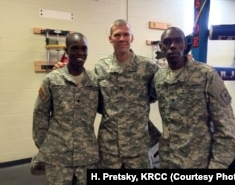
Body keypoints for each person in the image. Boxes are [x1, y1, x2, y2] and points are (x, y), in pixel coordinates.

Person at [53, 19, 159, 169]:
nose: (121, 39)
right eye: (117, 35)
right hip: (109, 147)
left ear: (132, 38)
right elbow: (86, 93)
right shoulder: (101, 67)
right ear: (110, 39)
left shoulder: (148, 67)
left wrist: (185, 64)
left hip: (138, 146)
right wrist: (64, 72)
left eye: (126, 34)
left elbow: (161, 91)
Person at [153, 26, 235, 168]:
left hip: (198, 163)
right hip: (167, 161)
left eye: (177, 41)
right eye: (167, 42)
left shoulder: (206, 75)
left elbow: (227, 130)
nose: (173, 46)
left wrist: (216, 166)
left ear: (185, 45)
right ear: (161, 47)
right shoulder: (159, 77)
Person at [32, 32, 99, 184]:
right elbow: (40, 114)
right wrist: (45, 146)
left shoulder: (95, 81)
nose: (80, 52)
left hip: (87, 157)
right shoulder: (53, 79)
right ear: (67, 51)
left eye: (84, 48)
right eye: (75, 48)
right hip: (58, 156)